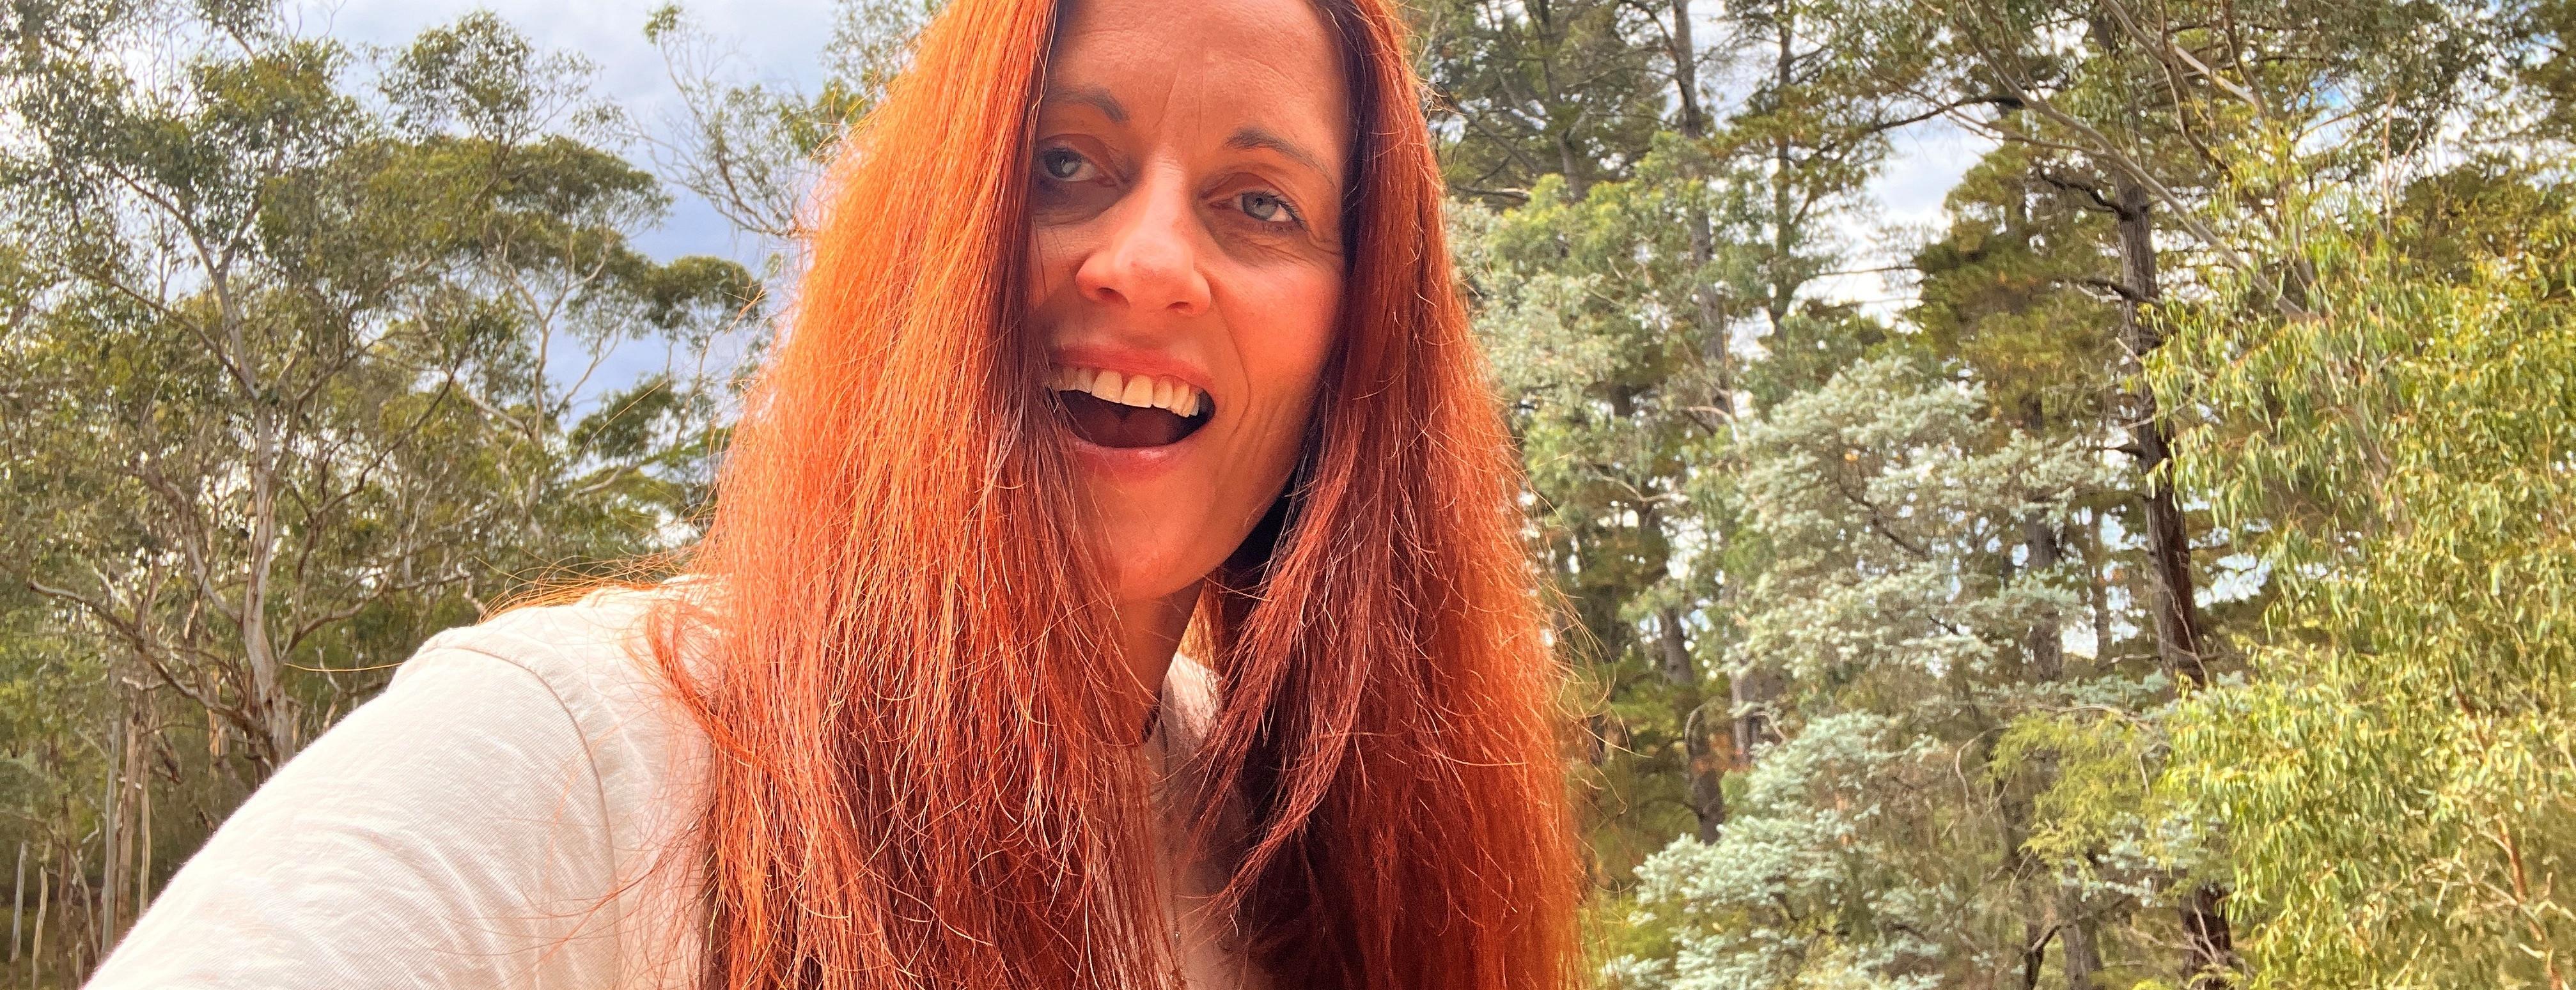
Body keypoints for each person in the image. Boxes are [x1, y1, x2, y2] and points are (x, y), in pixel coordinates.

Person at [85, 0, 1580, 986]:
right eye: (1063, 163)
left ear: (1355, 339)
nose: (1144, 262)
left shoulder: (1312, 840)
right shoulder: (582, 754)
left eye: (1259, 203)